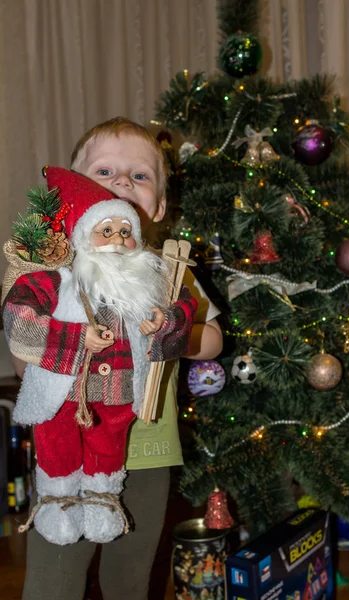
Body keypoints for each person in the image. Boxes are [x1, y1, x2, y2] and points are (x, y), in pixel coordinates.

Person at [14, 117, 223, 600]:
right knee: (55, 574)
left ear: (159, 206)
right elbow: (25, 346)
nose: (122, 182)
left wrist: (176, 336)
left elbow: (212, 338)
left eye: (140, 176)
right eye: (104, 172)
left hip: (147, 447)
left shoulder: (167, 271)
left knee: (131, 573)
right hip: (67, 453)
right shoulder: (57, 272)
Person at [3, 166, 198, 547]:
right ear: (81, 237)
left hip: (119, 392)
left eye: (125, 231)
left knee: (108, 446)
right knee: (56, 441)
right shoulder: (59, 278)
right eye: (105, 230)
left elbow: (185, 309)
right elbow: (18, 315)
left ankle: (103, 501)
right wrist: (75, 339)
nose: (118, 239)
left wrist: (164, 320)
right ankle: (57, 501)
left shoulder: (147, 280)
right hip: (62, 392)